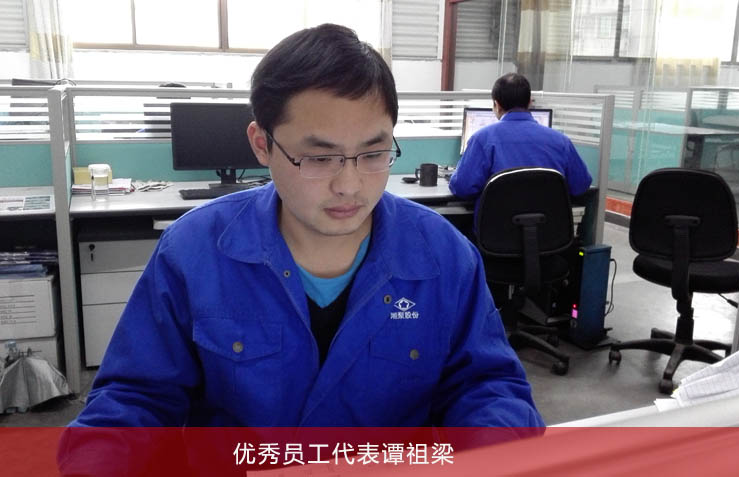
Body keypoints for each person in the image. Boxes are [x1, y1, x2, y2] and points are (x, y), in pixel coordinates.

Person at [62, 24, 542, 473]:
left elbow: (486, 387)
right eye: (318, 157)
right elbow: (136, 400)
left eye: (374, 154)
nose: (349, 184)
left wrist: (493, 454)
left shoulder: (444, 255)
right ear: (261, 144)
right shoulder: (194, 251)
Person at [449, 73, 592, 202]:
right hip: (549, 222)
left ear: (496, 105)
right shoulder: (561, 142)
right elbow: (581, 185)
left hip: (498, 222)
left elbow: (462, 188)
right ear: (530, 102)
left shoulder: (482, 139)